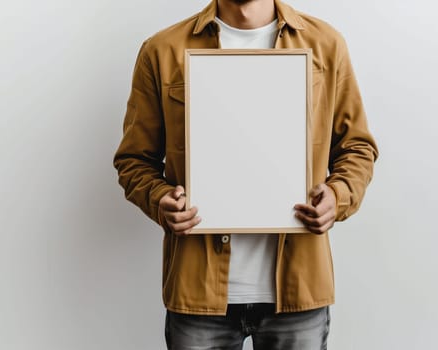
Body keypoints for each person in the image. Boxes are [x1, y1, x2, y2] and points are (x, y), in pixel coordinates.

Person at [113, 0, 378, 349]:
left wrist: (338, 195)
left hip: (299, 291)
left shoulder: (326, 44)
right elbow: (134, 158)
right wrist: (160, 199)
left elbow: (356, 147)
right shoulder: (163, 50)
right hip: (198, 295)